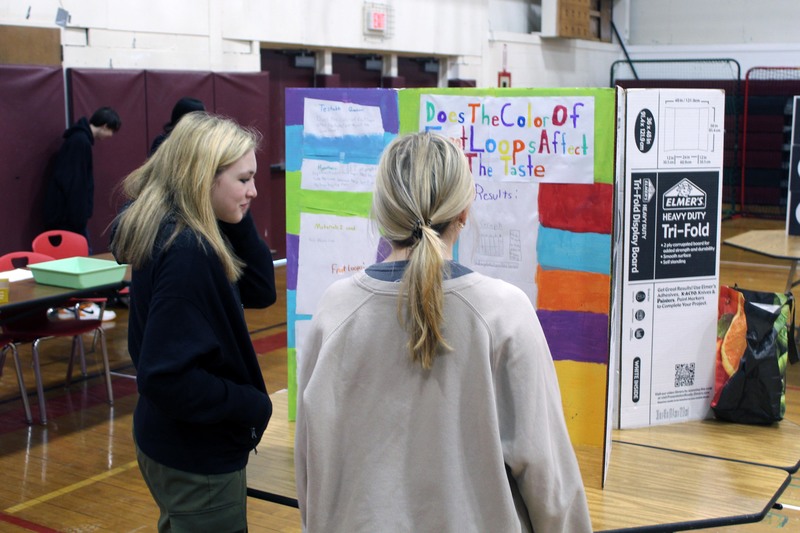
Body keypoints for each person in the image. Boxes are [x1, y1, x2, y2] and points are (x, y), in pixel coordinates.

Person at [294, 132, 592, 532]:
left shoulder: (336, 309)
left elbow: (310, 466)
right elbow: (548, 477)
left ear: (382, 213)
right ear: (464, 212)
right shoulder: (503, 312)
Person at [111, 112, 276, 532]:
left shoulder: (188, 228)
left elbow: (260, 289)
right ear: (204, 178)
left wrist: (233, 209)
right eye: (243, 180)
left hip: (170, 439)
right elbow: (166, 377)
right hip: (194, 452)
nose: (254, 190)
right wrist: (252, 404)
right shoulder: (187, 252)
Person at [44, 106, 121, 237]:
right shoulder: (80, 142)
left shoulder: (78, 139)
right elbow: (75, 184)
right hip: (68, 219)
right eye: (111, 131)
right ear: (104, 126)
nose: (111, 135)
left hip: (66, 216)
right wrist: (78, 219)